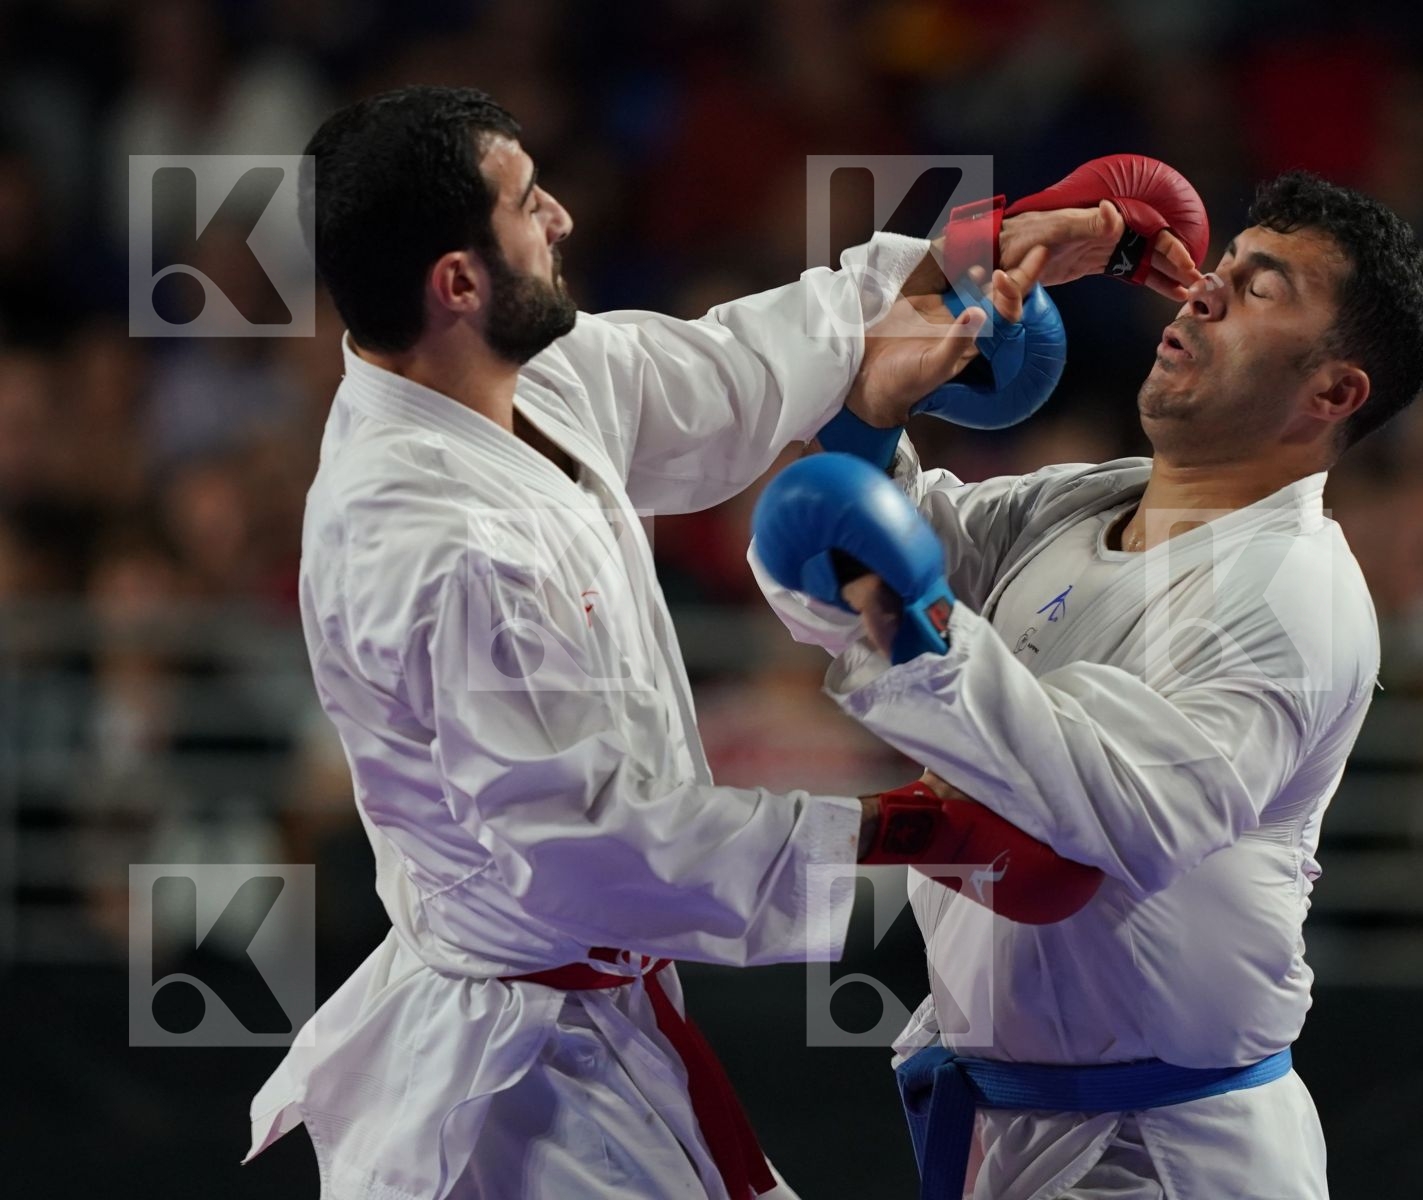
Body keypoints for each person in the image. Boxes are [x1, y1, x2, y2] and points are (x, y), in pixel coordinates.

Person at [243, 86, 1191, 1200]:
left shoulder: (511, 373)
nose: (562, 218)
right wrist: (904, 831)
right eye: (528, 204)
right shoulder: (433, 542)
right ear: (458, 283)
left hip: (592, 1019)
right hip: (518, 1090)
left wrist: (975, 250)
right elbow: (588, 847)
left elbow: (730, 369)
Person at [753, 171, 1423, 1199]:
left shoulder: (1293, 595)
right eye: (1221, 267)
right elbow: (836, 567)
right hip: (1015, 1122)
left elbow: (1121, 817)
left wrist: (915, 626)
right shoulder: (1086, 503)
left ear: (1333, 392)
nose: (1203, 292)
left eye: (1259, 289)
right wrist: (872, 411)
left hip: (1165, 1151)